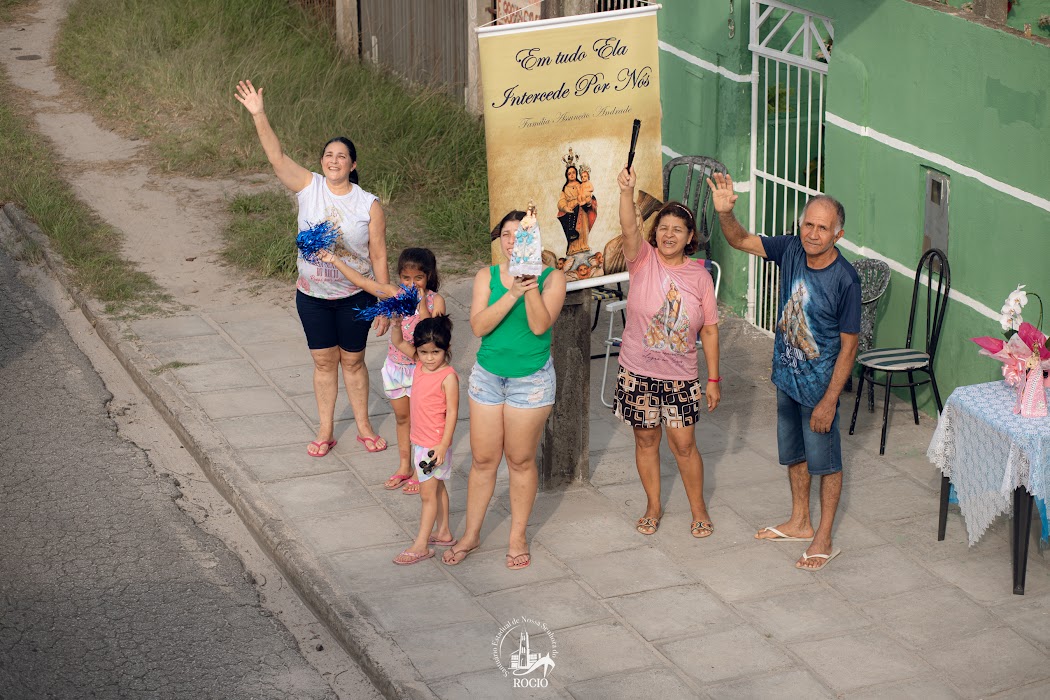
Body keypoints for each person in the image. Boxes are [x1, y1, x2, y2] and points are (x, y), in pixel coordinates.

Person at [708, 172, 860, 571]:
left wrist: (829, 401)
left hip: (818, 392)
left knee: (826, 464)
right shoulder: (790, 249)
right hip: (787, 380)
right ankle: (799, 521)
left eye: (822, 228)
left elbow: (849, 347)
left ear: (837, 235)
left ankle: (823, 537)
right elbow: (740, 239)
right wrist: (725, 213)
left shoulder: (846, 280)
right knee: (793, 455)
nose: (812, 233)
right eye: (808, 224)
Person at [235, 79, 391, 458]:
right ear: (322, 162)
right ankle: (325, 430)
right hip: (313, 297)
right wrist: (259, 114)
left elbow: (379, 255)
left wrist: (385, 302)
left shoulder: (368, 204)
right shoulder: (308, 187)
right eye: (328, 155)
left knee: (353, 361)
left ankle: (364, 426)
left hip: (354, 295)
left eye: (342, 156)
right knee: (324, 361)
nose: (334, 160)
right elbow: (276, 157)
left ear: (353, 165)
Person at [443, 210, 567, 569]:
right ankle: (471, 533)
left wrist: (529, 283)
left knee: (520, 459)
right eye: (508, 235)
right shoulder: (487, 276)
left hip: (530, 382)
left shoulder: (553, 278)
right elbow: (479, 326)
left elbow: (541, 324)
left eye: (521, 235)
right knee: (483, 460)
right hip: (487, 378)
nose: (513, 241)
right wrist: (512, 290)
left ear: (535, 241)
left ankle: (517, 536)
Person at [615, 166, 721, 539]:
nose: (669, 234)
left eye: (677, 229)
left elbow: (709, 330)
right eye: (663, 228)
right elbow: (630, 228)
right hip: (637, 370)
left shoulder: (700, 277)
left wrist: (712, 379)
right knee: (645, 440)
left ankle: (699, 509)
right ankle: (653, 507)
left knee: (684, 445)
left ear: (690, 237)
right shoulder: (642, 260)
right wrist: (627, 193)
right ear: (654, 234)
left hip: (680, 377)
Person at [389, 316, 459, 565]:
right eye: (424, 352)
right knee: (437, 486)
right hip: (420, 440)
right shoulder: (418, 363)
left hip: (433, 446)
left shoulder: (448, 377)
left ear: (446, 350)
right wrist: (396, 324)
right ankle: (444, 532)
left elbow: (452, 413)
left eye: (436, 352)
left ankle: (421, 545)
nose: (429, 358)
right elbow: (397, 342)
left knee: (427, 495)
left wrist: (443, 444)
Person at [381, 248, 446, 495]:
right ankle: (404, 466)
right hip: (396, 367)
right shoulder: (395, 296)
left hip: (421, 371)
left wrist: (420, 304)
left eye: (417, 278)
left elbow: (431, 332)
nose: (411, 283)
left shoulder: (435, 300)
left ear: (428, 276)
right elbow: (366, 283)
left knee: (422, 423)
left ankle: (423, 471)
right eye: (406, 278)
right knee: (402, 419)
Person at [557, 165, 582, 253]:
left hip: (579, 205)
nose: (571, 175)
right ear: (567, 176)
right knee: (568, 216)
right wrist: (565, 207)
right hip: (569, 207)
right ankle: (570, 234)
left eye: (573, 173)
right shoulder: (565, 188)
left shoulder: (580, 185)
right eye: (569, 174)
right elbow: (561, 201)